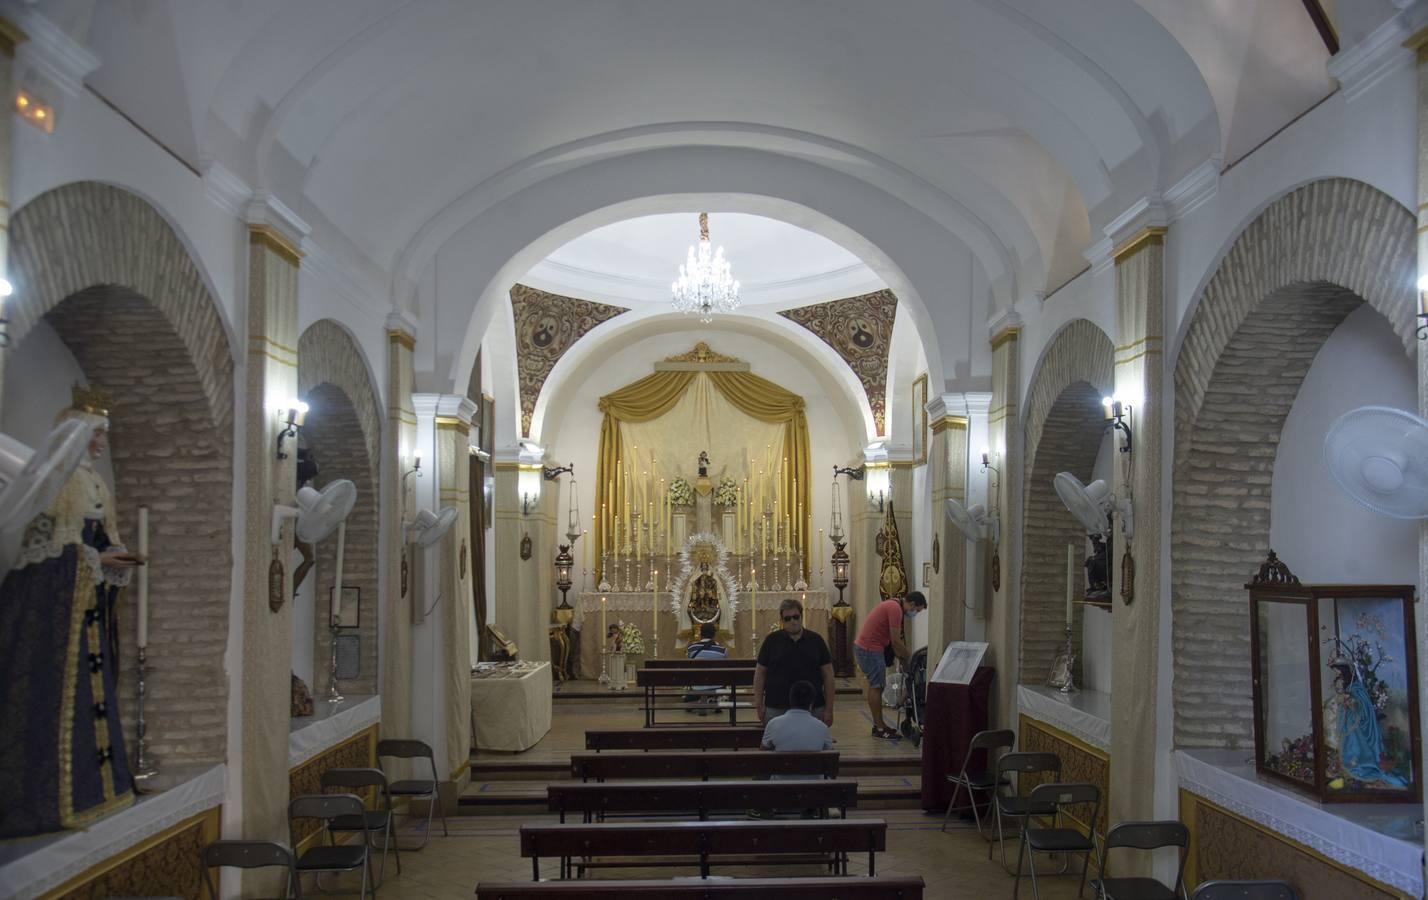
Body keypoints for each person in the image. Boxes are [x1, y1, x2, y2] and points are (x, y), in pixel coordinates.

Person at [0, 389, 142, 838]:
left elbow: (98, 539)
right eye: (97, 434)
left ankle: (101, 787)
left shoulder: (96, 483)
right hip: (54, 613)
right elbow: (43, 553)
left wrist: (116, 556)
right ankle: (63, 795)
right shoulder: (54, 481)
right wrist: (98, 562)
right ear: (76, 433)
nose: (101, 443)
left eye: (102, 435)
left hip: (88, 609)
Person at [854, 591, 927, 739]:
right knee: (877, 686)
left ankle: (879, 725)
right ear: (911, 604)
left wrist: (904, 660)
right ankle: (880, 728)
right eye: (916, 610)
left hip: (869, 648)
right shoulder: (895, 609)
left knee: (877, 686)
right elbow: (896, 641)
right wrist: (912, 657)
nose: (915, 613)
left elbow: (893, 643)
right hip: (870, 649)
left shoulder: (893, 604)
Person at [754, 597, 834, 726]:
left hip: (813, 707)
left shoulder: (816, 640)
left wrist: (829, 709)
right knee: (776, 744)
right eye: (788, 618)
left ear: (801, 617)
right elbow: (760, 673)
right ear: (782, 620)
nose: (793, 621)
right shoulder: (771, 641)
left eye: (796, 617)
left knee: (813, 744)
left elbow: (828, 675)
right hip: (777, 706)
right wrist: (759, 704)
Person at [684, 622, 728, 713]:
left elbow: (688, 667)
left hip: (697, 686)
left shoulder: (691, 649)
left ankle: (700, 700)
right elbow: (724, 669)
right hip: (716, 686)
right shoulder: (722, 650)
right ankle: (713, 699)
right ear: (714, 634)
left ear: (700, 633)